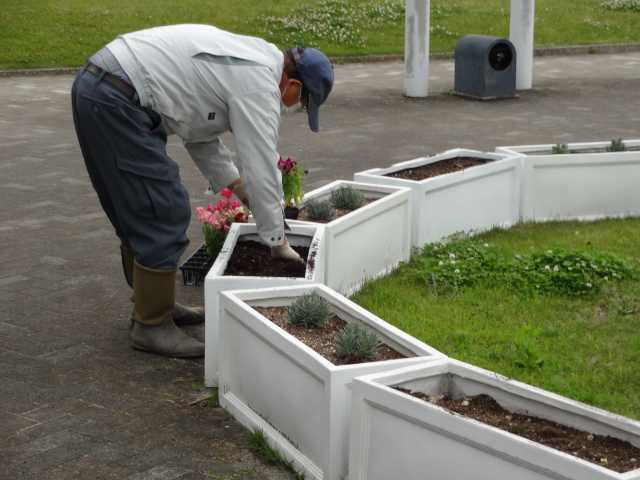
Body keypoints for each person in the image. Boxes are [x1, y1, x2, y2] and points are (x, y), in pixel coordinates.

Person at [71, 24, 334, 358]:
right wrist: (276, 239)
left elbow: (199, 133)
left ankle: (154, 305)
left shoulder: (251, 59)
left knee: (139, 204)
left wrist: (238, 188)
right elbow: (262, 163)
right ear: (293, 84)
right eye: (302, 103)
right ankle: (151, 325)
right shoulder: (259, 82)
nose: (294, 109)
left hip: (105, 88)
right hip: (116, 97)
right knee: (162, 209)